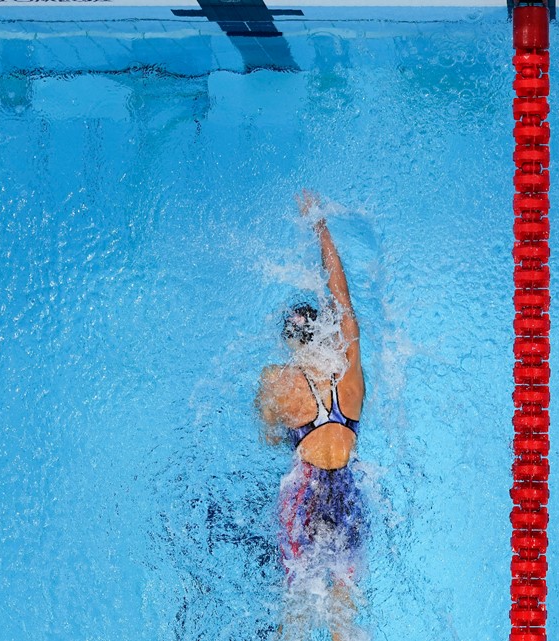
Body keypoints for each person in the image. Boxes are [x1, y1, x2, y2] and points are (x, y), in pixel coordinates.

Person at [256, 191, 366, 641]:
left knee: (298, 606)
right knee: (344, 611)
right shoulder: (350, 365)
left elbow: (266, 435)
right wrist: (320, 225)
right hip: (348, 491)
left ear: (288, 339)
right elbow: (339, 288)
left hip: (304, 493)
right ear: (325, 332)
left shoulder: (278, 380)